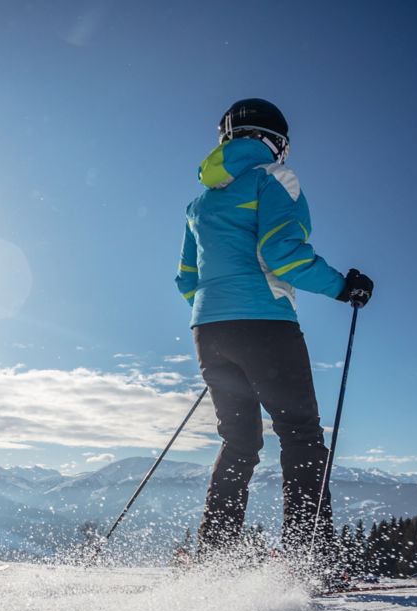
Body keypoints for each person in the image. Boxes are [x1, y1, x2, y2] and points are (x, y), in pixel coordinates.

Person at [174, 98, 373, 576]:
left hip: (209, 331)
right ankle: (310, 561)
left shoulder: (198, 203)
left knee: (239, 442)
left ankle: (215, 558)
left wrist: (222, 325)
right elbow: (282, 253)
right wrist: (345, 287)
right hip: (264, 324)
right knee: (300, 434)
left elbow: (186, 280)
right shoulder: (273, 178)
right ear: (274, 141)